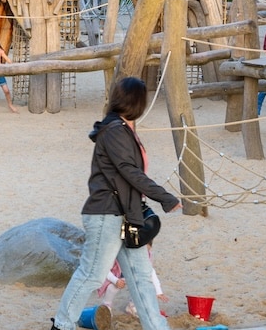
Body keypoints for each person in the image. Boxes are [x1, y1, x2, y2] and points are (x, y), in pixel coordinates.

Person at [49, 77, 181, 330]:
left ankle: (157, 327)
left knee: (141, 277)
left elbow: (129, 174)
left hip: (127, 215)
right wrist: (166, 198)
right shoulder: (114, 131)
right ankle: (62, 325)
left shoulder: (123, 128)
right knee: (92, 274)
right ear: (136, 102)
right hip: (106, 214)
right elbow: (129, 171)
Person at [97, 245, 168, 318]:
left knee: (143, 283)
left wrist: (158, 291)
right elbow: (104, 270)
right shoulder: (116, 254)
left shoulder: (145, 256)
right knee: (112, 287)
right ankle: (106, 306)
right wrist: (116, 280)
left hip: (132, 276)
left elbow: (151, 272)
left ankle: (131, 306)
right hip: (116, 276)